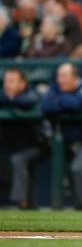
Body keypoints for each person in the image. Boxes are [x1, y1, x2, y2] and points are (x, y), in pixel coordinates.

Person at [42, 63, 82, 210]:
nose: (60, 80)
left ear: (75, 78)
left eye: (64, 76)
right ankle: (74, 206)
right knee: (67, 171)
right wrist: (65, 99)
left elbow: (78, 105)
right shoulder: (55, 87)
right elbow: (45, 106)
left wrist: (60, 99)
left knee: (76, 168)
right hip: (65, 143)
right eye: (59, 76)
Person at [0, 68, 42, 209]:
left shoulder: (31, 94)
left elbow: (28, 101)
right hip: (10, 146)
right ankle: (28, 204)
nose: (7, 85)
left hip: (37, 145)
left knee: (19, 159)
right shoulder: (3, 94)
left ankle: (22, 202)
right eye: (6, 81)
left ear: (22, 84)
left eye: (12, 81)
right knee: (19, 161)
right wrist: (10, 99)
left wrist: (10, 99)